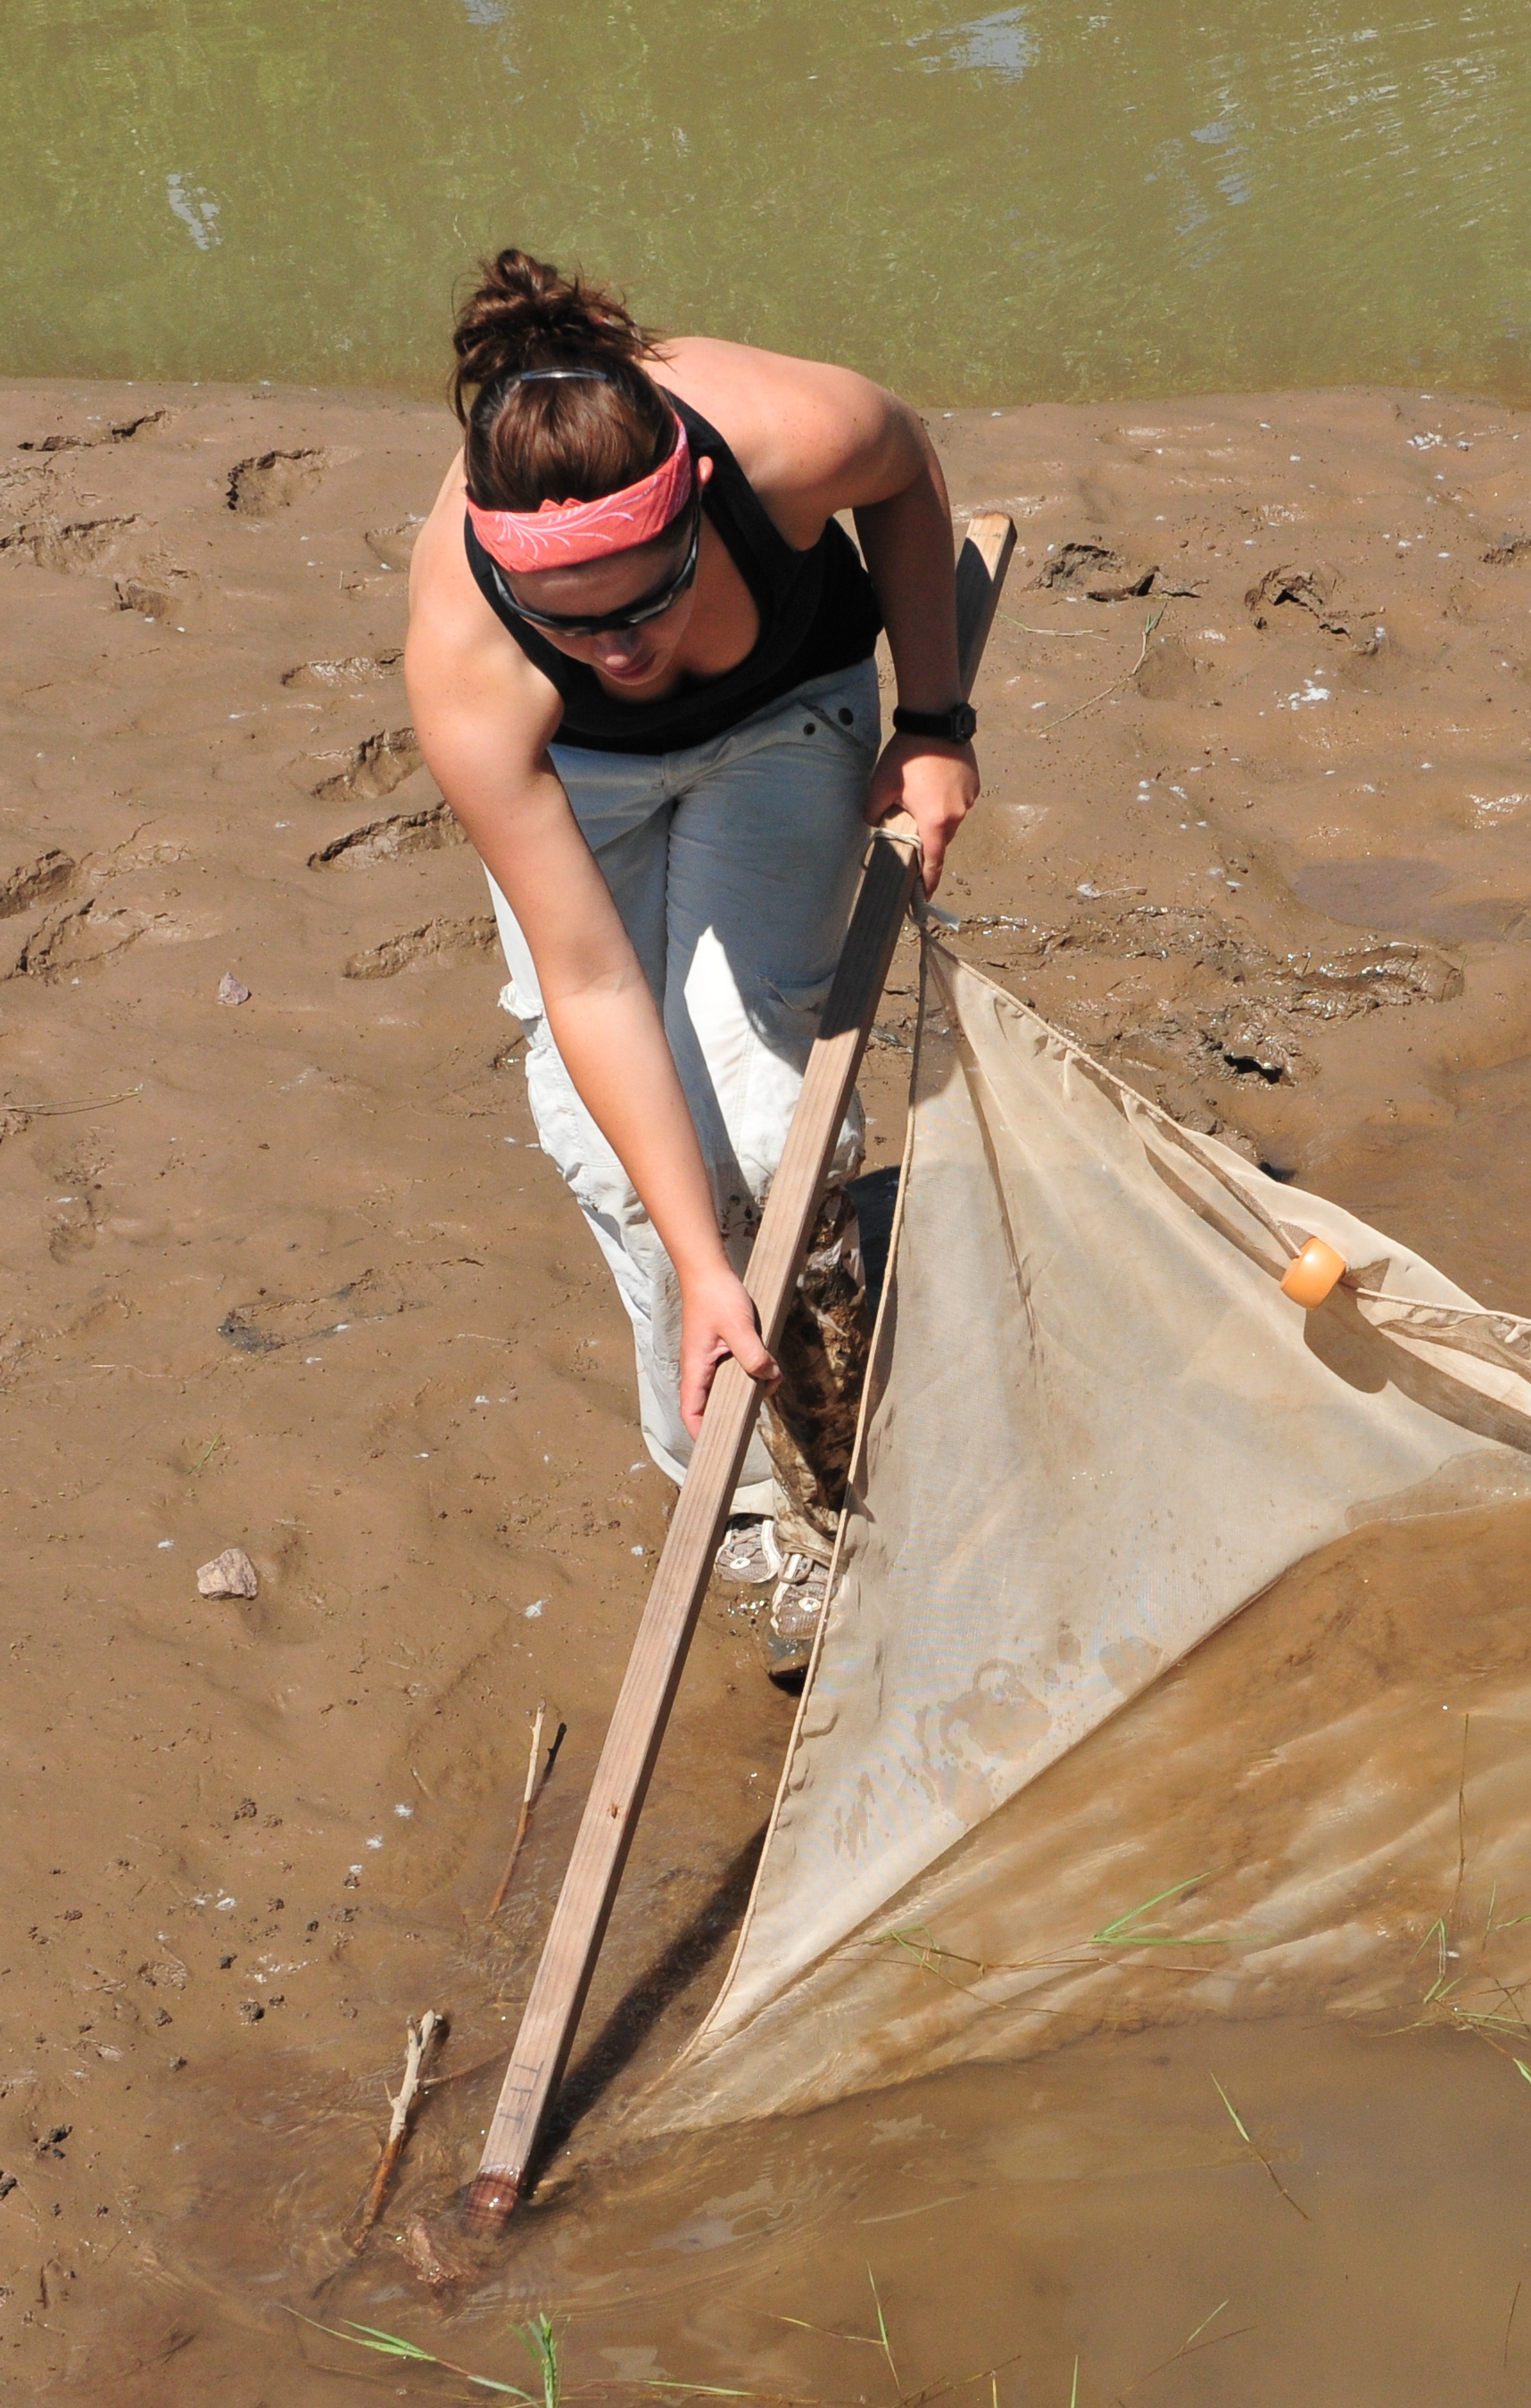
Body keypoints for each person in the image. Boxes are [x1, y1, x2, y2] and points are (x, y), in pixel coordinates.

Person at [404, 250, 979, 1659]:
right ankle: (726, 1498)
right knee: (614, 1157)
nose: (619, 646)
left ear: (701, 511)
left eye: (647, 602)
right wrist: (695, 1258)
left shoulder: (788, 437)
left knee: (768, 1114)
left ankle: (844, 1400)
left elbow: (909, 475)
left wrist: (937, 719)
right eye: (572, 623)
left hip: (783, 724)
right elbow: (592, 983)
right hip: (579, 786)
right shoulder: (469, 663)